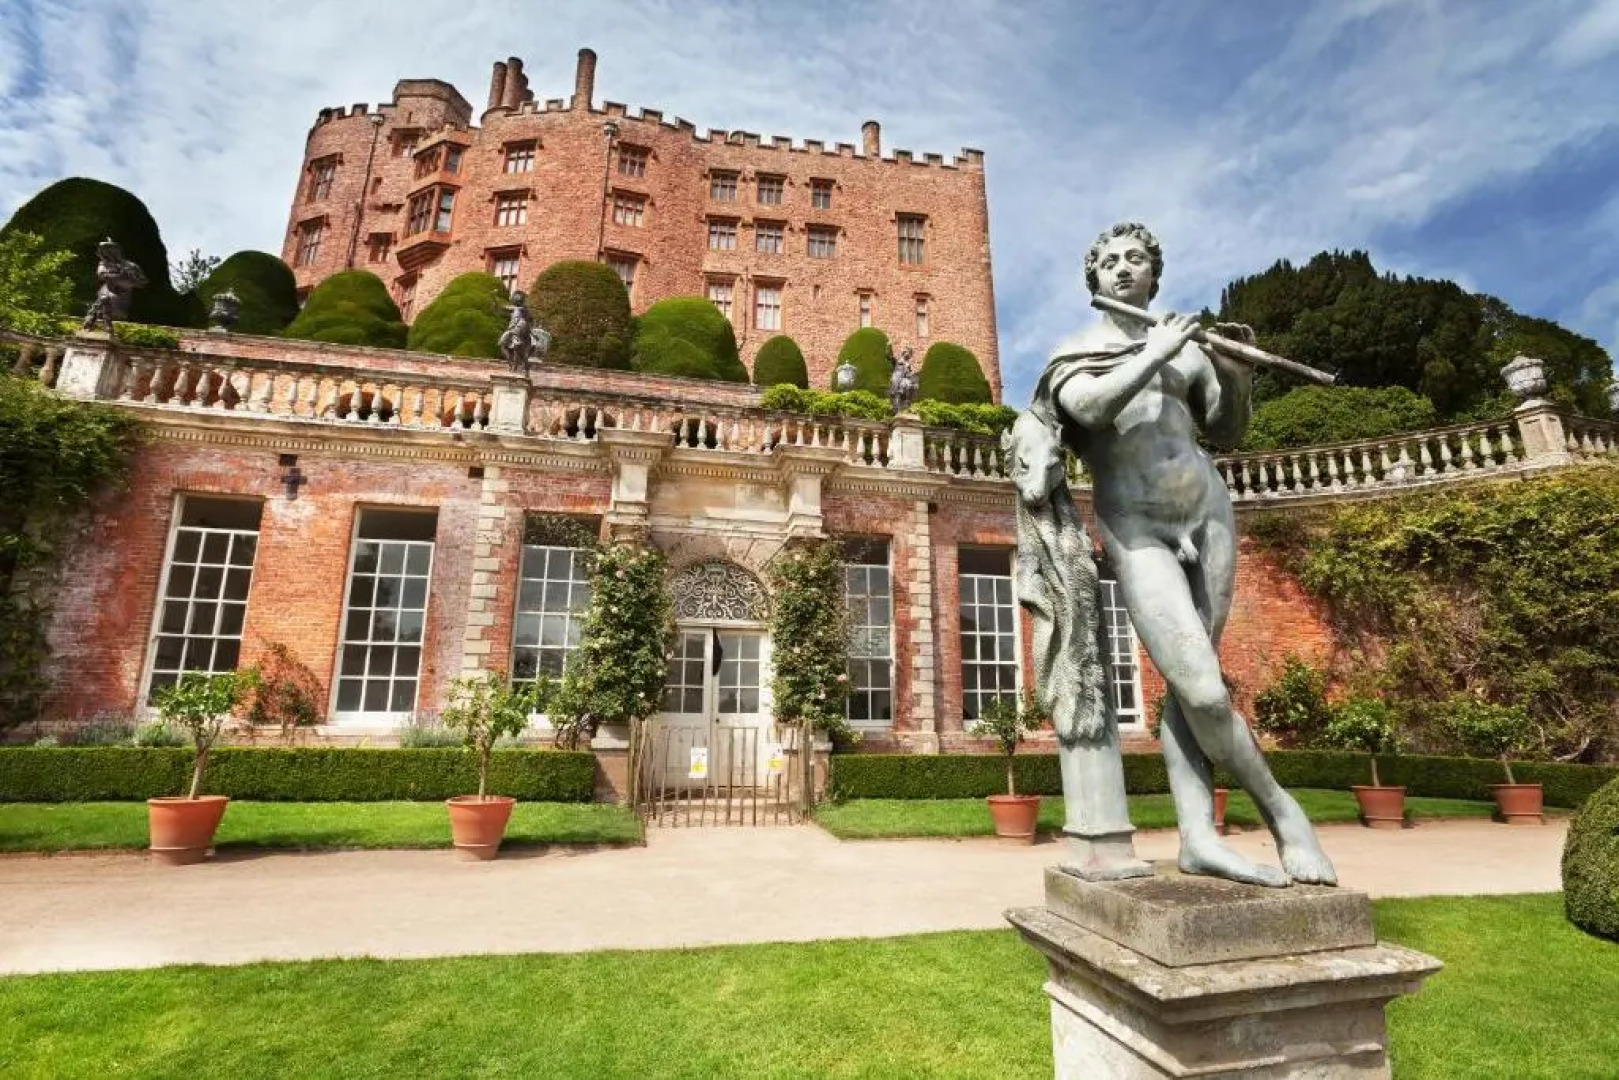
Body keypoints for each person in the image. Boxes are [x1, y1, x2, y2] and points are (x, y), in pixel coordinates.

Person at [1028, 221, 1336, 887]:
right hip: (1135, 524)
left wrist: (1232, 372)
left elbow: (1224, 430)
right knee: (1199, 683)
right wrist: (1154, 350)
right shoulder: (1077, 350)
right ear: (1093, 278)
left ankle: (1198, 837)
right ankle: (1283, 812)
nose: (1119, 269)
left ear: (1151, 273)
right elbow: (1089, 406)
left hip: (1207, 508)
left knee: (1190, 686)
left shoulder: (1185, 349)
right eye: (1106, 261)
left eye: (1132, 259)